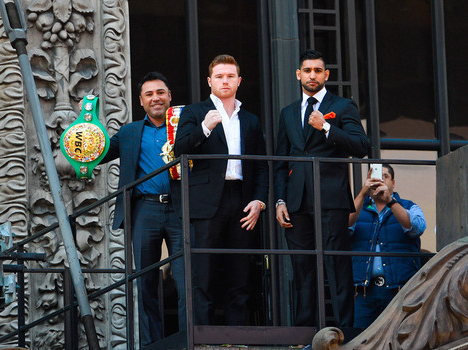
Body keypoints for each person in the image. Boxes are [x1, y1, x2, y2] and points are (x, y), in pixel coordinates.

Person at [274, 49, 368, 327]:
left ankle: (345, 334)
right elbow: (280, 161)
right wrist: (280, 201)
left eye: (317, 70)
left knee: (337, 267)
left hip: (331, 198)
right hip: (296, 202)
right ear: (298, 74)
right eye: (307, 70)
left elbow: (363, 147)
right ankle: (304, 335)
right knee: (303, 269)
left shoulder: (343, 106)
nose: (312, 75)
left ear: (326, 75)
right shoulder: (288, 113)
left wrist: (326, 127)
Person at [173, 54, 268, 326]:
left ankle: (237, 336)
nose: (224, 81)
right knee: (202, 273)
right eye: (219, 76)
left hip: (242, 199)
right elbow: (180, 150)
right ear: (209, 81)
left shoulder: (249, 119)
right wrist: (205, 127)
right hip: (206, 201)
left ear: (238, 81)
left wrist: (259, 201)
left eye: (230, 76)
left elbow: (261, 165)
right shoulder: (194, 112)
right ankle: (202, 336)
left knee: (240, 272)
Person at [97, 72, 186, 347]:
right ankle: (151, 344)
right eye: (149, 94)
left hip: (181, 209)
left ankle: (187, 342)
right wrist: (86, 125)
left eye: (160, 92)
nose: (155, 98)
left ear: (169, 96)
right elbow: (99, 153)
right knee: (146, 282)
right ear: (141, 101)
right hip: (144, 210)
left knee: (185, 280)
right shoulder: (130, 132)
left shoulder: (185, 125)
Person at [349, 164, 426, 328]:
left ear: (393, 182)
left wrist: (390, 201)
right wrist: (363, 193)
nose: (380, 179)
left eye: (385, 176)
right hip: (364, 290)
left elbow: (417, 228)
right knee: (361, 339)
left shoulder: (407, 205)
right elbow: (343, 228)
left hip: (399, 289)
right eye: (375, 175)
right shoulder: (359, 206)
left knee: (399, 336)